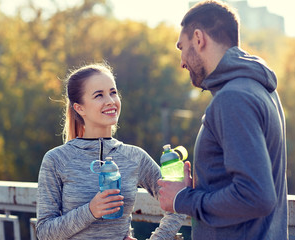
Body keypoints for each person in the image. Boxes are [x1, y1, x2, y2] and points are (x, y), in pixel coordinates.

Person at [157, 1, 288, 239]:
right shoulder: (259, 89)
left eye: (181, 48)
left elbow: (256, 196)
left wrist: (183, 199)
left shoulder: (233, 98)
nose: (182, 62)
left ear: (198, 38)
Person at [36, 62, 186, 240]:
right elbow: (44, 232)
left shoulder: (135, 157)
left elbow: (179, 202)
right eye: (99, 95)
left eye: (113, 92)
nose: (110, 101)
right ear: (79, 107)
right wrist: (91, 210)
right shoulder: (56, 159)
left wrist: (158, 238)